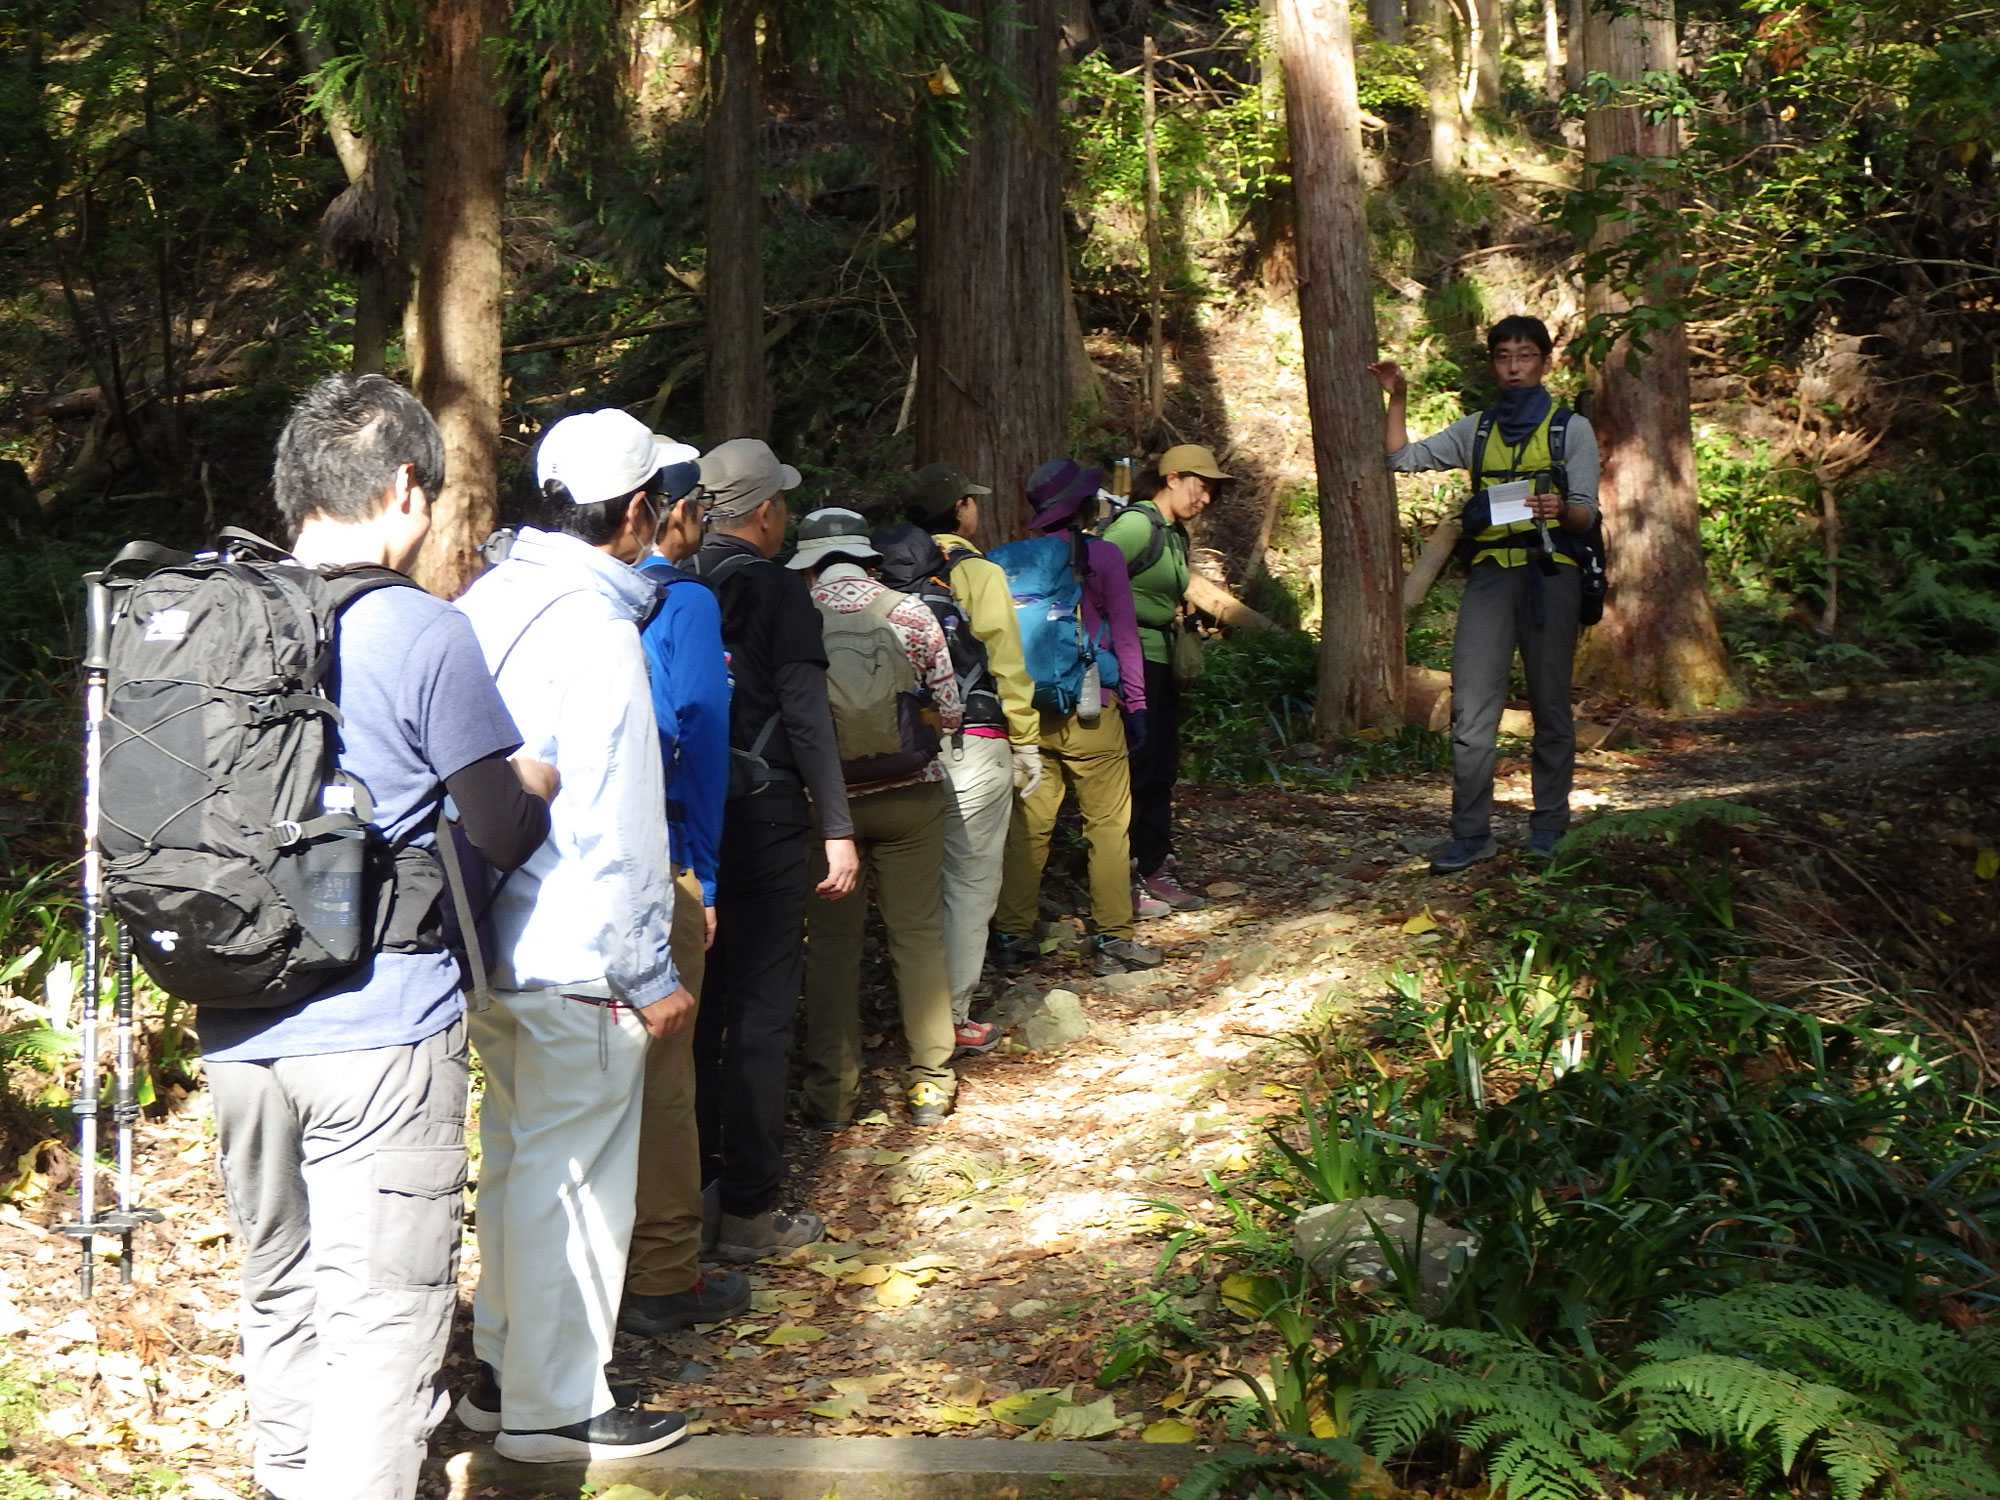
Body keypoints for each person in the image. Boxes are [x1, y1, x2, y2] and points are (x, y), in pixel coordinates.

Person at [201, 374, 554, 1500]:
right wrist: (534, 776)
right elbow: (496, 825)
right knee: (382, 1319)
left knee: (282, 1292)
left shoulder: (212, 619)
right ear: (404, 486)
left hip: (237, 1026)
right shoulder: (419, 627)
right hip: (381, 1025)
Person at [453, 408, 694, 1462]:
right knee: (578, 1186)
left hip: (484, 936)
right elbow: (619, 817)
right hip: (575, 945)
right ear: (637, 508)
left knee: (513, 1166)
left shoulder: (485, 597)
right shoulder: (594, 628)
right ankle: (555, 1411)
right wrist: (650, 969)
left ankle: (502, 1377)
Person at [689, 439, 859, 1261]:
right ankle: (752, 1209)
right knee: (760, 1014)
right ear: (765, 512)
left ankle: (693, 1192)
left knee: (701, 1010)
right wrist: (837, 825)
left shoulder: (676, 584)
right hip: (767, 820)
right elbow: (805, 714)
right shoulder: (777, 592)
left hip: (691, 824)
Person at [1368, 314, 1601, 872]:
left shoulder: (1572, 429)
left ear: (1545, 363)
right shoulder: (1476, 430)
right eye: (1503, 357)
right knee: (1472, 711)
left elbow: (1586, 512)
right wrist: (1397, 397)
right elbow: (1401, 457)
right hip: (1493, 575)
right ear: (1493, 363)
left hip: (1552, 575)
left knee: (1550, 705)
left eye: (1525, 356)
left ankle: (1548, 826)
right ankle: (1471, 833)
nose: (1514, 367)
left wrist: (1558, 508)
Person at [621, 439, 754, 1337]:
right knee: (663, 1072)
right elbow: (701, 734)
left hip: (534, 873)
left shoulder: (516, 590)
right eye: (697, 509)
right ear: (669, 512)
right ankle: (665, 1271)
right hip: (654, 852)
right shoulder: (684, 600)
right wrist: (701, 872)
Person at [794, 509, 965, 1126]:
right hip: (911, 796)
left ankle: (832, 1095)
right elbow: (948, 710)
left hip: (825, 807)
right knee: (917, 936)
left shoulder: (798, 619)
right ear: (866, 557)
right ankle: (930, 1081)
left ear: (810, 565)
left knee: (833, 949)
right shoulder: (911, 611)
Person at [885, 461, 1042, 1054]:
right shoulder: (975, 570)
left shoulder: (885, 569)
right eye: (970, 502)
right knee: (969, 881)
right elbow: (1005, 659)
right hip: (973, 739)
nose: (976, 509)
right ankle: (948, 1015)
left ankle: (908, 1006)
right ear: (958, 511)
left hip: (900, 743)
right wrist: (1025, 739)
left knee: (912, 881)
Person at [992, 459, 1161, 976]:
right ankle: (1113, 937)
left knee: (1029, 826)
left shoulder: (1002, 560)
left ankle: (1011, 935)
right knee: (1108, 824)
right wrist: (1136, 704)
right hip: (1092, 708)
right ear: (1084, 507)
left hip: (1025, 712)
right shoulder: (1101, 555)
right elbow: (1126, 635)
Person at [1104, 444, 1229, 916]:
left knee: (1159, 768)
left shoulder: (1173, 533)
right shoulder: (1136, 525)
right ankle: (1126, 875)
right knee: (1135, 769)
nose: (1206, 499)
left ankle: (1154, 866)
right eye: (1201, 487)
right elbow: (1093, 579)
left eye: (1211, 491)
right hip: (1130, 663)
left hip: (1157, 660)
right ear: (1172, 478)